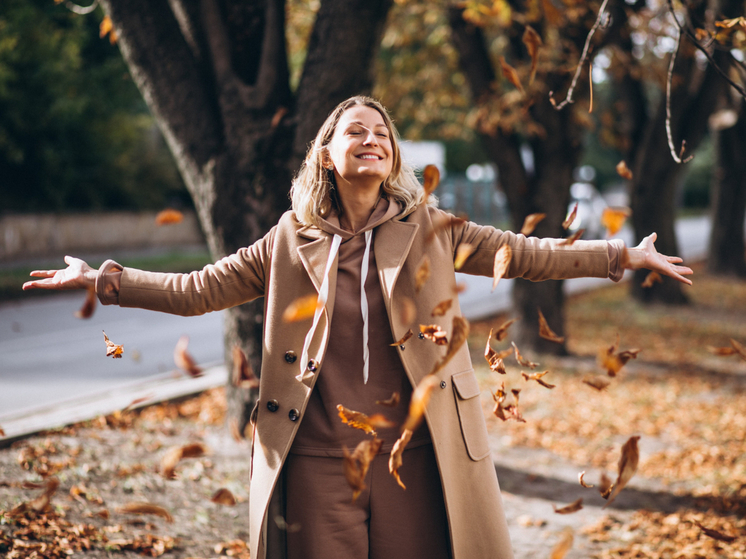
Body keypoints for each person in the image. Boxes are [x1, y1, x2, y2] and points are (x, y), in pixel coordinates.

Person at [24, 96, 692, 559]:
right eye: (354, 132)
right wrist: (104, 280)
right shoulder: (290, 239)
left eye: (381, 134)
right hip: (318, 462)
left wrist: (621, 255)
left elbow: (525, 254)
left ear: (393, 156)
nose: (370, 139)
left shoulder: (433, 229)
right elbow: (200, 288)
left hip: (416, 457)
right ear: (326, 156)